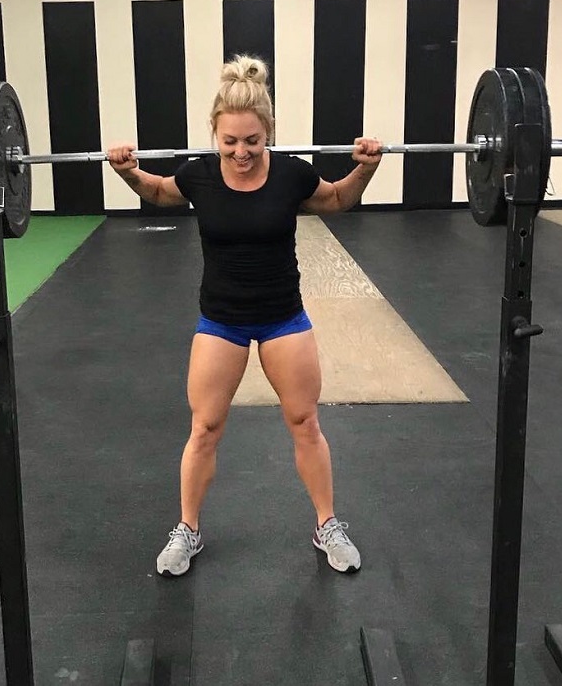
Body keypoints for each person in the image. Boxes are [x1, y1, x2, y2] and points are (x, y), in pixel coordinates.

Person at [107, 55, 382, 577]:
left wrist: (366, 166)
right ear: (215, 133)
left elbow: (341, 199)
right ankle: (187, 530)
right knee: (205, 427)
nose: (241, 152)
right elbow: (161, 192)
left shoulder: (293, 175)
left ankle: (327, 524)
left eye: (252, 141)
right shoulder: (200, 176)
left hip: (283, 318)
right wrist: (128, 171)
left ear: (268, 132)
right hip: (221, 321)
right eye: (230, 141)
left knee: (305, 422)